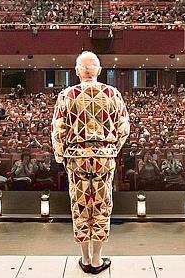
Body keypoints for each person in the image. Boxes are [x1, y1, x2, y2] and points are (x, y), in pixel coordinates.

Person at [52, 51, 129, 274]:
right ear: (98, 70)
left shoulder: (67, 94)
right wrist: (112, 150)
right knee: (102, 206)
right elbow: (124, 128)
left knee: (81, 206)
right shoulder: (112, 93)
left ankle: (84, 258)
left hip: (77, 158)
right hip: (104, 158)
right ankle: (97, 259)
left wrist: (61, 156)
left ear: (77, 71)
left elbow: (58, 131)